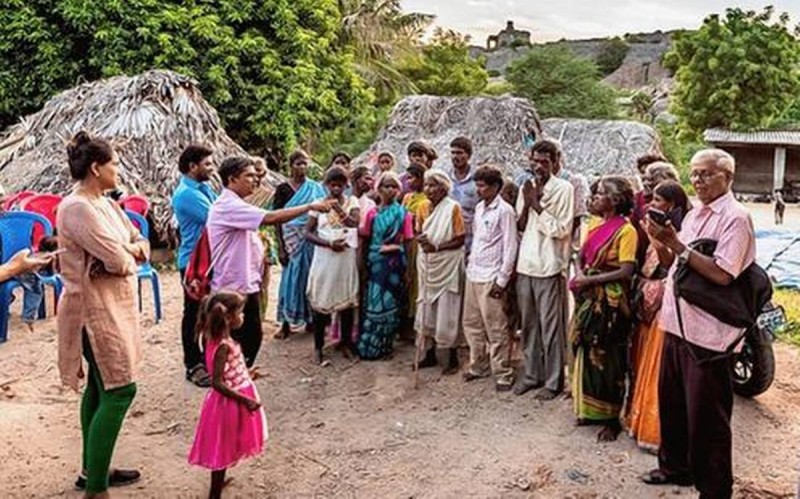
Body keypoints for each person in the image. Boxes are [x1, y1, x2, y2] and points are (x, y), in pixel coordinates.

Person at [641, 149, 755, 499]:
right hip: (676, 325)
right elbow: (672, 263)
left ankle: (715, 489)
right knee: (673, 405)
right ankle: (675, 467)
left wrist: (676, 244)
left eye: (707, 174)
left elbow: (723, 274)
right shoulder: (693, 216)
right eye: (694, 173)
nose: (698, 180)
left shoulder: (735, 218)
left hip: (709, 335)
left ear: (728, 178)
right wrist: (659, 240)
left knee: (709, 419)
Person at [57, 131, 149, 496]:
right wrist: (126, 254)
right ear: (97, 167)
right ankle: (96, 487)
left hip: (113, 305)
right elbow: (119, 259)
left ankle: (92, 469)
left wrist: (130, 251)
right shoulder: (77, 207)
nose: (117, 169)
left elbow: (138, 241)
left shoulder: (106, 203)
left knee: (100, 386)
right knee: (121, 389)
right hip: (94, 312)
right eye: (113, 163)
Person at [207, 156, 333, 367]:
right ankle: (234, 382)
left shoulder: (236, 203)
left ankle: (240, 378)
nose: (254, 180)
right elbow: (271, 218)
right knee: (242, 338)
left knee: (249, 337)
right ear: (232, 179)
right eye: (248, 176)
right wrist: (309, 206)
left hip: (244, 281)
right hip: (234, 284)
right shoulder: (229, 205)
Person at [569, 176, 637, 442]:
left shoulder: (626, 230)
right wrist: (580, 275)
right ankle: (589, 409)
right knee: (584, 349)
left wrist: (591, 279)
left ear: (615, 200)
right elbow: (580, 257)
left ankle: (611, 418)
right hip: (588, 295)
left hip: (611, 302)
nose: (594, 198)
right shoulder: (597, 224)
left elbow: (626, 270)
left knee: (608, 358)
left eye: (600, 194)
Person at [626, 180, 691, 451]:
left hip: (670, 305)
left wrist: (658, 238)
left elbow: (667, 264)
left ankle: (657, 432)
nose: (652, 205)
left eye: (659, 201)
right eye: (651, 200)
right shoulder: (659, 227)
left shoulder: (679, 230)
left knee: (659, 368)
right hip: (654, 305)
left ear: (673, 205)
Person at [188, 291, 268, 499]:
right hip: (228, 404)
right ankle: (214, 494)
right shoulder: (223, 345)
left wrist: (246, 374)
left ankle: (219, 483)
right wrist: (246, 399)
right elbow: (217, 383)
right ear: (228, 318)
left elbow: (225, 372)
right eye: (240, 313)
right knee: (222, 449)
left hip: (232, 398)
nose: (243, 317)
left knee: (227, 445)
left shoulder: (217, 338)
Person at [514, 140, 574, 400]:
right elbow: (520, 224)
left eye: (544, 162)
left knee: (551, 328)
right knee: (528, 326)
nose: (538, 167)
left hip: (549, 265)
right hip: (526, 263)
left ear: (555, 161)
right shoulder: (526, 187)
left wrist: (538, 204)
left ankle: (553, 381)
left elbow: (561, 229)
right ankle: (531, 375)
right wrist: (528, 202)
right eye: (535, 161)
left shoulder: (564, 189)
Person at [462, 165, 518, 392]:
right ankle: (478, 365)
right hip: (474, 272)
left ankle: (503, 371)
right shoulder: (479, 208)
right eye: (477, 185)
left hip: (492, 275)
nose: (478, 190)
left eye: (483, 186)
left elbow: (510, 246)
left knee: (496, 326)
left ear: (495, 186)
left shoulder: (505, 211)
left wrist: (502, 280)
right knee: (472, 323)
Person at [305, 167, 360, 364]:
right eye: (332, 185)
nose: (336, 188)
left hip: (345, 257)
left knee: (346, 301)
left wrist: (337, 208)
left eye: (340, 185)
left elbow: (354, 224)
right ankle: (318, 347)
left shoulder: (352, 202)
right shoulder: (318, 205)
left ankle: (345, 342)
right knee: (321, 300)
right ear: (326, 185)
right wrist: (328, 244)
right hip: (325, 258)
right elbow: (308, 233)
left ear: (346, 185)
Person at [172, 144, 216, 387]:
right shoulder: (187, 195)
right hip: (193, 262)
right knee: (193, 313)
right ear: (192, 166)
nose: (211, 168)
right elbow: (219, 218)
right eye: (207, 164)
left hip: (207, 260)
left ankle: (205, 357)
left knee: (206, 311)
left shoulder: (203, 188)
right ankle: (193, 364)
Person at [357, 172, 414, 360]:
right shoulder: (372, 213)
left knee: (391, 303)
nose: (390, 190)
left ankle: (386, 345)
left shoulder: (403, 213)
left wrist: (408, 269)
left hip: (394, 264)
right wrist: (363, 265)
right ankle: (370, 346)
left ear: (399, 190)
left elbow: (408, 241)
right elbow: (365, 240)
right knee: (374, 302)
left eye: (394, 187)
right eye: (386, 186)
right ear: (379, 189)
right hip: (375, 263)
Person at [414, 170, 466, 375]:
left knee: (448, 307)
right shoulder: (421, 207)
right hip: (427, 263)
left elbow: (460, 238)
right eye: (426, 185)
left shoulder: (453, 208)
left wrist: (437, 247)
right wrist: (423, 241)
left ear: (444, 188)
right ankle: (429, 353)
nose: (429, 189)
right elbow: (419, 230)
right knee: (427, 306)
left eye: (433, 185)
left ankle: (452, 356)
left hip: (448, 263)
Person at [273, 151, 328, 339]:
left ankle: (311, 319)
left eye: (304, 163)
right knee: (290, 280)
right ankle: (286, 322)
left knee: (310, 278)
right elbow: (277, 219)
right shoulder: (283, 189)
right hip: (291, 241)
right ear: (291, 165)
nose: (302, 167)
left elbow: (322, 216)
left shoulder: (315, 188)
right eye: (298, 164)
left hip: (310, 238)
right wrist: (281, 247)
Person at [632, 161, 679, 266]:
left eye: (650, 180)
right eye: (645, 179)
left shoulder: (679, 205)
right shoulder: (639, 198)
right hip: (642, 253)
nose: (646, 183)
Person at [401, 164, 428, 338]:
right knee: (407, 280)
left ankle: (417, 324)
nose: (409, 181)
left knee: (418, 281)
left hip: (417, 243)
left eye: (412, 177)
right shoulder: (407, 197)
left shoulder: (427, 199)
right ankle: (406, 322)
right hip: (405, 242)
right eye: (408, 178)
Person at [15, 235, 58, 331]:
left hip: (18, 272)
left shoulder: (35, 252)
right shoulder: (49, 256)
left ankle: (9, 299)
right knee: (35, 293)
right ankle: (28, 318)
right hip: (29, 275)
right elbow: (52, 273)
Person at [448, 137, 479, 254]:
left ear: (469, 155)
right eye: (453, 153)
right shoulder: (446, 179)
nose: (456, 157)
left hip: (471, 238)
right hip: (450, 237)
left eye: (460, 153)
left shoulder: (477, 180)